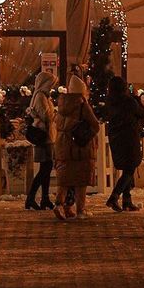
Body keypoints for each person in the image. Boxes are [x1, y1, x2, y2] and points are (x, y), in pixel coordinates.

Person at [53, 75, 100, 220]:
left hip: (63, 145)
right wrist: (88, 135)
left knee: (65, 179)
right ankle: (81, 210)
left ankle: (58, 204)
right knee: (81, 180)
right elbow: (95, 125)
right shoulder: (82, 105)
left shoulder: (62, 105)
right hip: (80, 148)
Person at [105, 75, 144, 213]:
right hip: (129, 137)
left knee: (126, 167)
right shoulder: (128, 101)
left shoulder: (110, 101)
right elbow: (141, 112)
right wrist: (137, 98)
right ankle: (114, 196)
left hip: (116, 137)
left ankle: (127, 200)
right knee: (130, 167)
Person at [24, 72, 57, 211]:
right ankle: (31, 198)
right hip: (44, 136)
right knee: (45, 169)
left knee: (46, 168)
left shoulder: (43, 96)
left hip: (47, 136)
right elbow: (46, 115)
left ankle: (44, 198)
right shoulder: (40, 97)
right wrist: (54, 112)